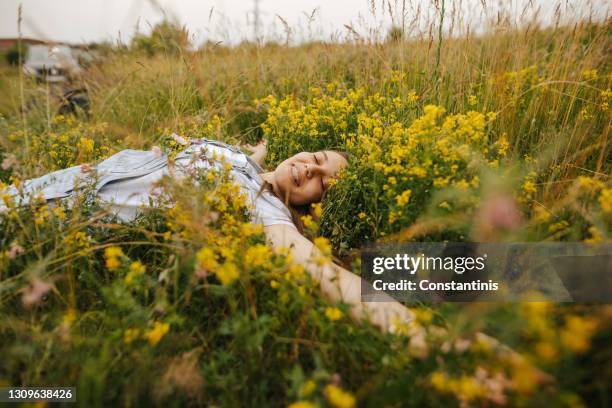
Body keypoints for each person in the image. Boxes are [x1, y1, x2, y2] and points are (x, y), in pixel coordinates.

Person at [1, 135, 415, 334]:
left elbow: (326, 275)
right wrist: (256, 150)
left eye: (320, 183)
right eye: (317, 159)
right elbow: (250, 157)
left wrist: (428, 338)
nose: (310, 169)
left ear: (312, 205)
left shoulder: (265, 211)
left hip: (53, 217)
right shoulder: (243, 162)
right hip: (61, 182)